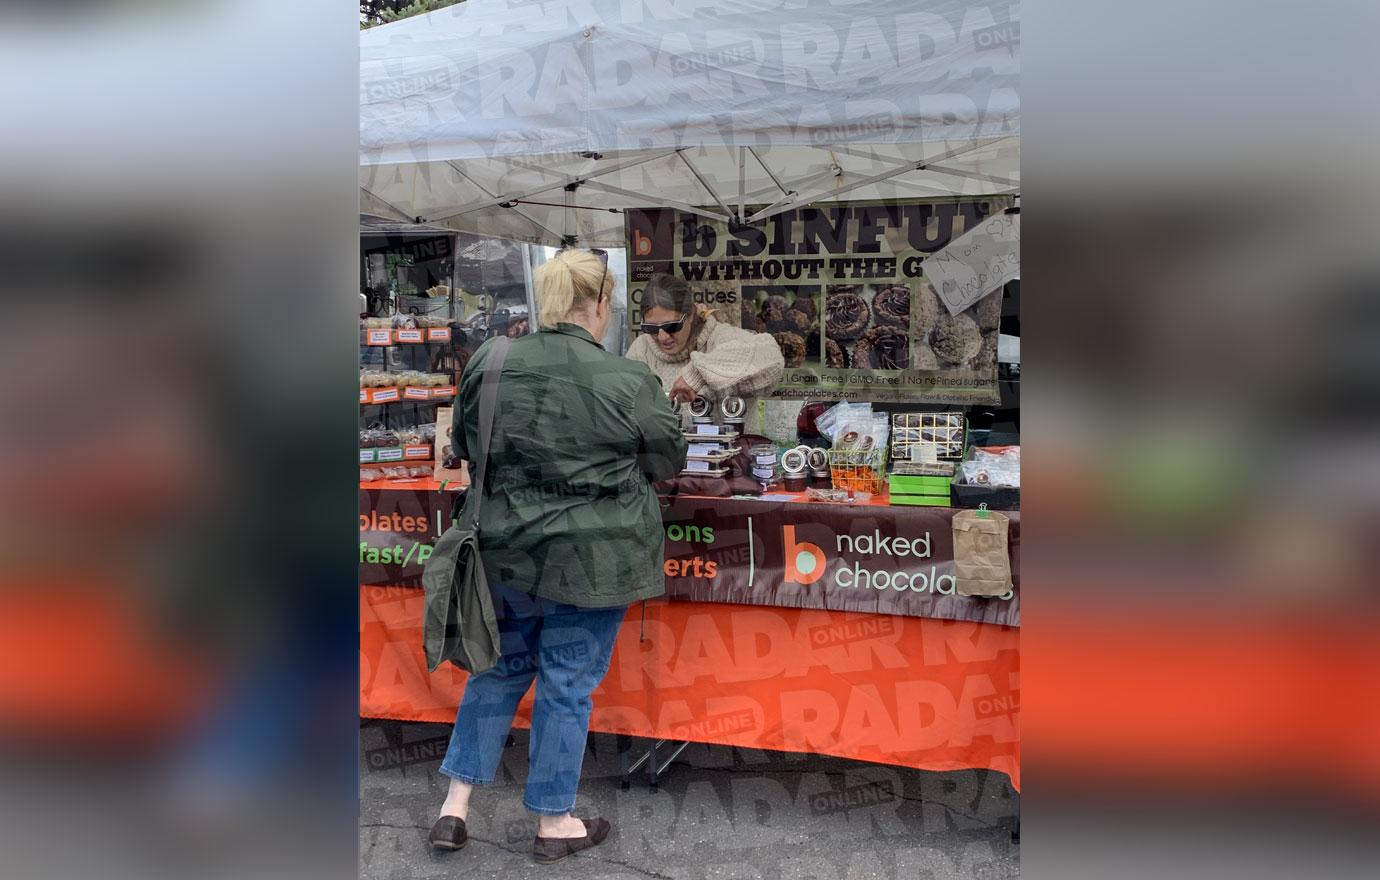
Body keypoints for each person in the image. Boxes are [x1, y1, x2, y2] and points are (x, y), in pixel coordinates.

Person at [429, 248, 687, 863]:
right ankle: (554, 823)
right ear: (601, 305)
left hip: (504, 553)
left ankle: (454, 807)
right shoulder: (628, 379)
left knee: (494, 670)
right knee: (567, 687)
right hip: (591, 563)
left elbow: (463, 444)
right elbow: (667, 460)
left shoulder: (491, 360)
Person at [626, 274, 785, 412]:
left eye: (671, 326)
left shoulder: (719, 336)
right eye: (651, 328)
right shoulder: (641, 349)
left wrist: (697, 374)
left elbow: (773, 359)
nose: (662, 337)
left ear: (689, 316)